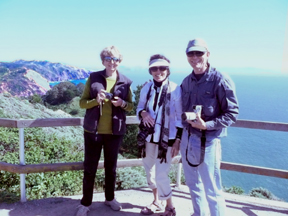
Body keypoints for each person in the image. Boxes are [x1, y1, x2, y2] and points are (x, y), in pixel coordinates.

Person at [180, 38, 239, 216]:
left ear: (208, 54)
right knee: (193, 184)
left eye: (199, 53)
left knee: (212, 188)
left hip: (209, 142)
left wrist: (207, 125)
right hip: (188, 138)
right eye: (191, 53)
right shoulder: (186, 81)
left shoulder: (220, 79)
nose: (195, 57)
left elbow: (232, 113)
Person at [75, 45, 133, 216]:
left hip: (115, 132)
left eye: (115, 59)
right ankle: (85, 203)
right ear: (103, 61)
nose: (112, 62)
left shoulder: (126, 81)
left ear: (119, 61)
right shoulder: (93, 78)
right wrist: (95, 100)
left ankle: (110, 198)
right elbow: (82, 103)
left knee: (111, 167)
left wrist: (121, 104)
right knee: (90, 168)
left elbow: (130, 106)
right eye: (108, 59)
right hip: (93, 131)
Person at [136, 54, 183, 216]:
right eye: (154, 68)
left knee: (161, 173)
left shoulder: (176, 89)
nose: (158, 71)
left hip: (167, 140)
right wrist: (142, 113)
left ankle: (170, 206)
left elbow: (179, 117)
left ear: (167, 70)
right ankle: (156, 201)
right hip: (149, 137)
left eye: (162, 68)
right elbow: (140, 107)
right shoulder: (147, 88)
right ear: (150, 71)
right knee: (149, 170)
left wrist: (178, 139)